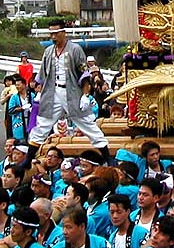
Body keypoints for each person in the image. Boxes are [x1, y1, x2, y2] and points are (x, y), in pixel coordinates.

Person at [22, 19, 112, 168]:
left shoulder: (75, 49)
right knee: (43, 124)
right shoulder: (49, 51)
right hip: (52, 92)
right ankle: (27, 159)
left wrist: (85, 95)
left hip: (71, 92)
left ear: (63, 32)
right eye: (51, 33)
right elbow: (43, 74)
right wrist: (39, 91)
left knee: (87, 124)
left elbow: (84, 75)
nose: (53, 37)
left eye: (56, 33)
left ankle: (108, 156)